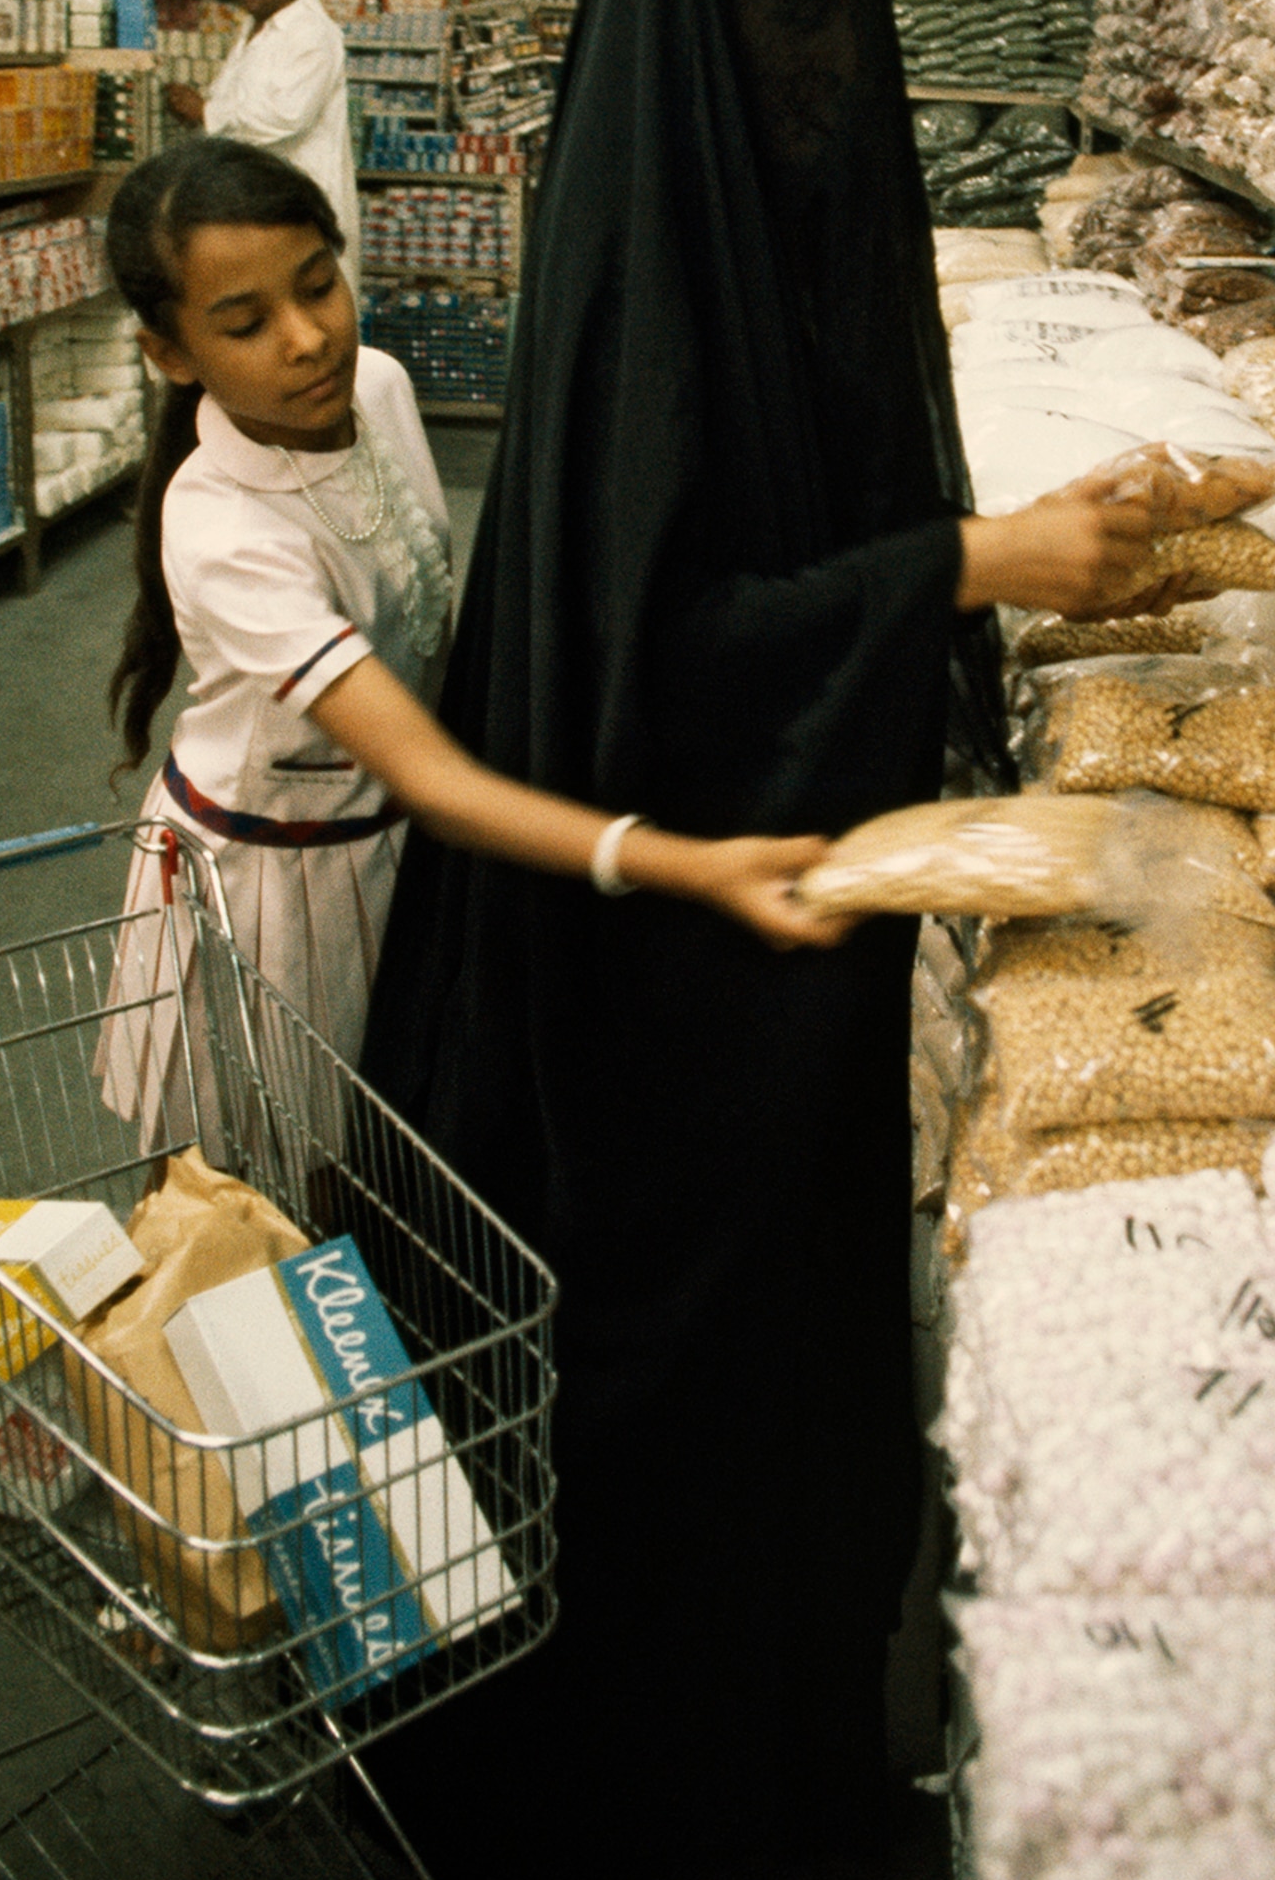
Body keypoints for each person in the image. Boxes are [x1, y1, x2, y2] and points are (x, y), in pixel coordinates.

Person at [357, 0, 1170, 1880]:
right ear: (700, 29)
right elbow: (670, 646)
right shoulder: (656, 279)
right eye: (793, 19)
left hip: (781, 908)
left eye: (852, 20)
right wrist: (967, 570)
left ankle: (767, 1782)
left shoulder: (785, 233)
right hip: (654, 949)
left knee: (783, 1368)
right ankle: (644, 1837)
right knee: (677, 1385)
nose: (835, 68)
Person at [96, 134, 842, 1158]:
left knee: (379, 1151)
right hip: (273, 886)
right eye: (246, 323)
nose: (308, 338)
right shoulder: (225, 529)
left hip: (398, 852)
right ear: (170, 354)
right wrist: (689, 866)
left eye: (319, 287)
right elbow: (427, 770)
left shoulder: (383, 391)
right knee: (249, 1181)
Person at [165, 0, 359, 256]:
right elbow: (234, 103)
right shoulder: (253, 30)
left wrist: (206, 113)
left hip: (300, 203)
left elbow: (288, 116)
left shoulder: (311, 33)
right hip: (253, 199)